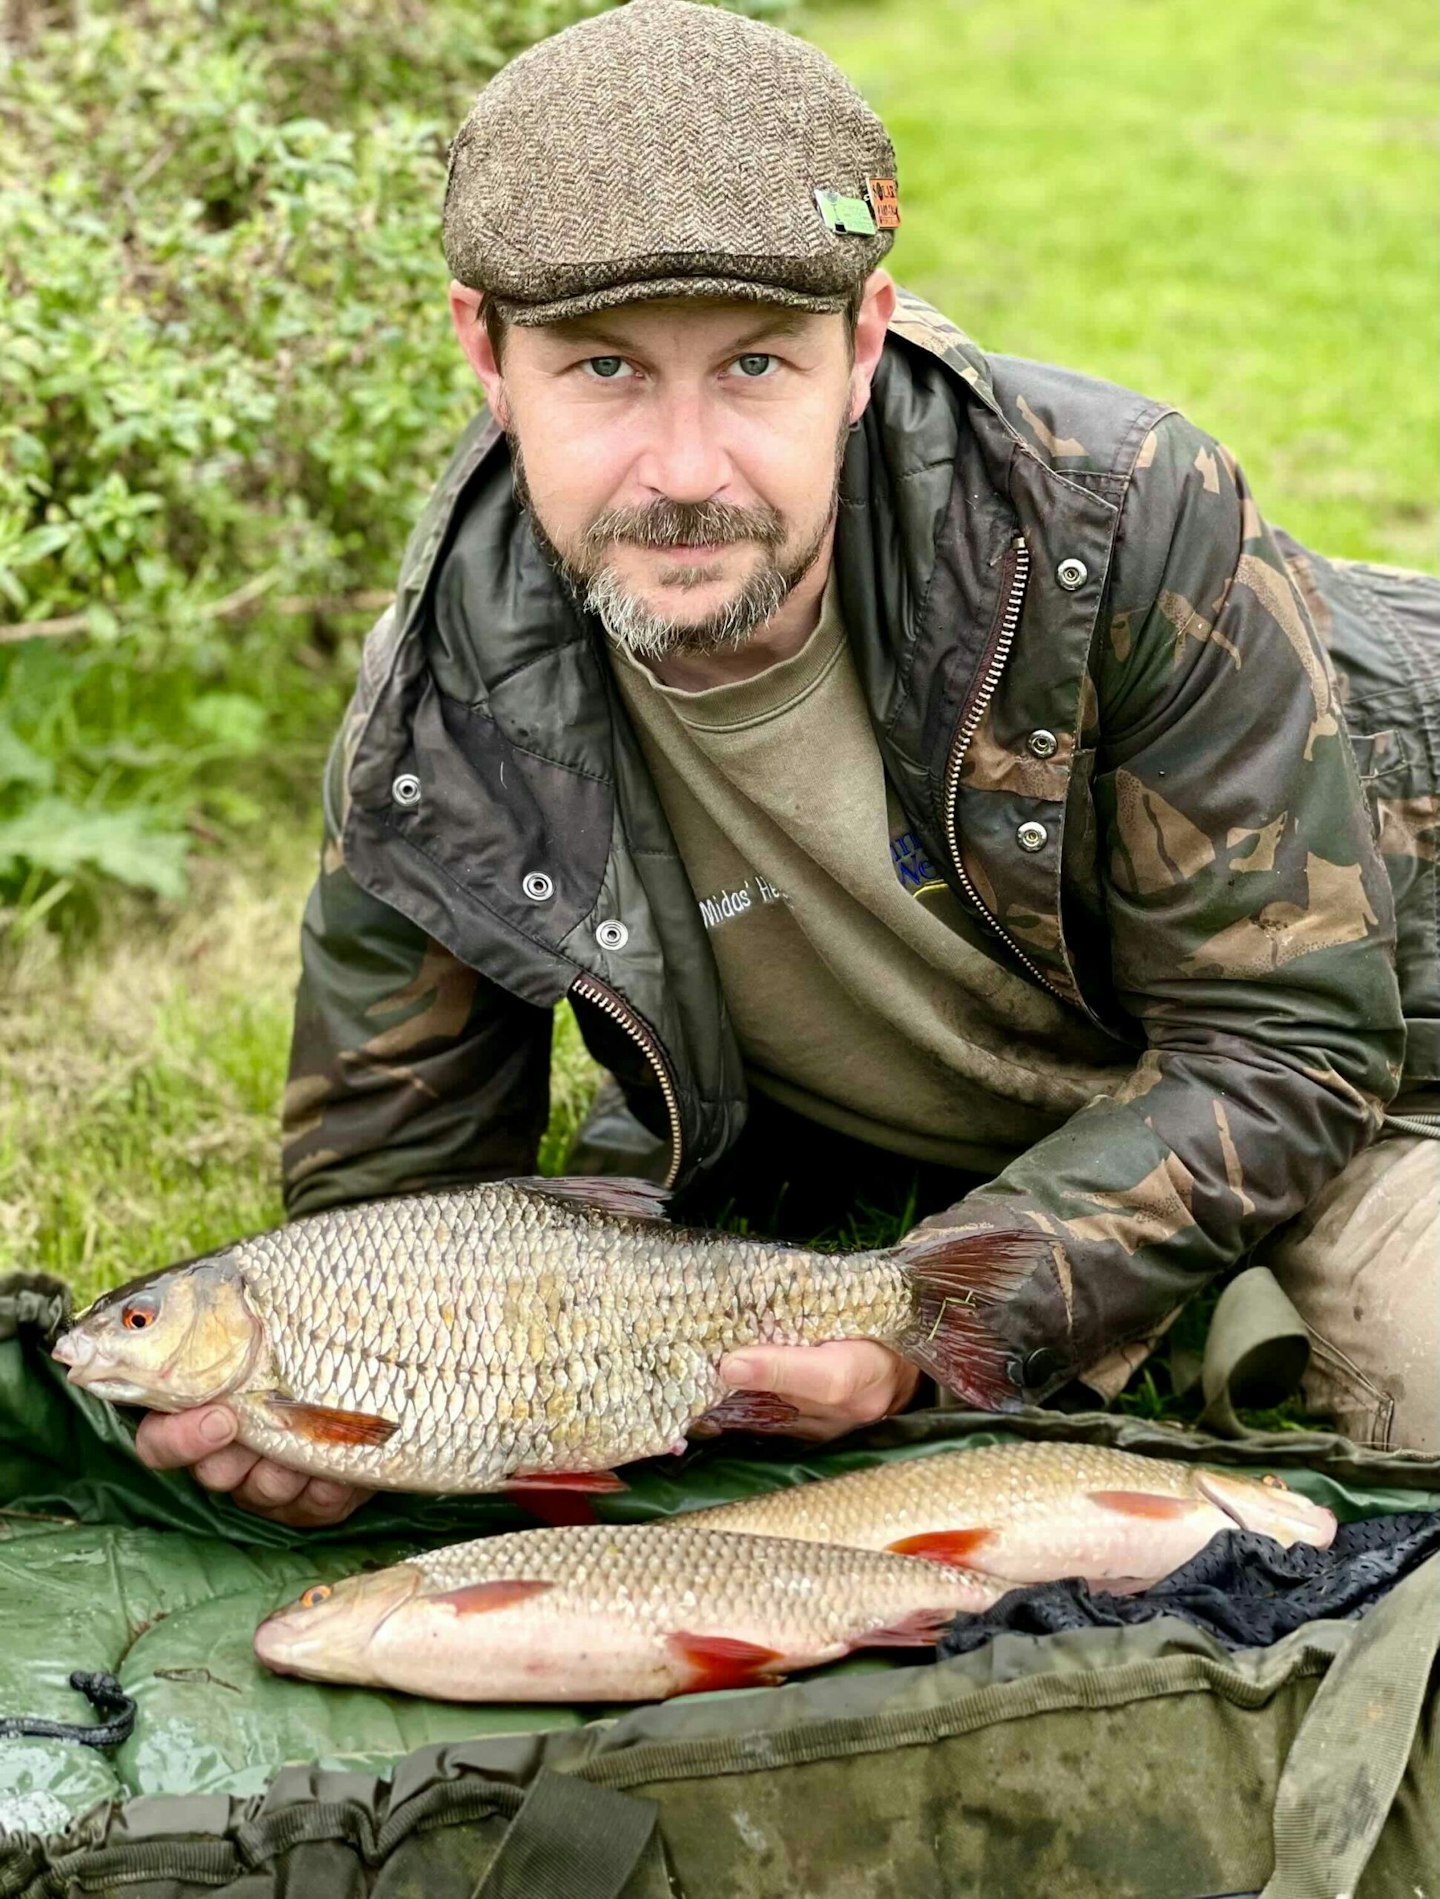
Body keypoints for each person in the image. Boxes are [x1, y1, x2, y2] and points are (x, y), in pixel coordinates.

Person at [137, 0, 1440, 1524]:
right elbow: (394, 1207)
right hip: (1014, 1136)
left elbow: (1289, 1044)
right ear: (482, 351)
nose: (684, 475)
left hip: (1368, 1063)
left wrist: (928, 1319)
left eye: (755, 366)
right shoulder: (444, 707)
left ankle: (1200, 1310)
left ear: (864, 340)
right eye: (607, 372)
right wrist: (334, 1403)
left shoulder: (1123, 526)